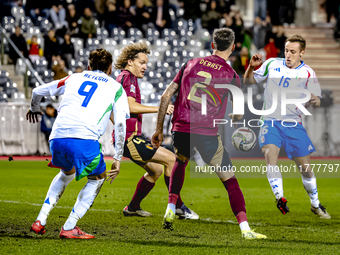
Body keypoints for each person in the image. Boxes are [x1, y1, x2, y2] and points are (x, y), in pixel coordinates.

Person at [151, 28, 267, 239]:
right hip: (206, 133)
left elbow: (165, 96)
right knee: (229, 179)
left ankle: (170, 207)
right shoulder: (231, 75)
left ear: (213, 45)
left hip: (181, 128)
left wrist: (159, 129)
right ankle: (245, 229)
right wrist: (234, 117)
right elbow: (239, 114)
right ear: (232, 48)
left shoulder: (190, 63)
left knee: (181, 160)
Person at [27, 48, 130, 239]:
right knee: (98, 178)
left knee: (66, 173)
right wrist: (118, 156)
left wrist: (34, 108)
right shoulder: (116, 87)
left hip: (56, 138)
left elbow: (37, 91)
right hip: (83, 139)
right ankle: (69, 227)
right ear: (109, 69)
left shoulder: (74, 77)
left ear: (89, 66)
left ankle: (40, 220)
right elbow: (122, 123)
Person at [243, 35, 331, 219]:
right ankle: (280, 197)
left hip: (293, 124)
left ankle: (315, 204)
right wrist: (251, 67)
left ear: (302, 53)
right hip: (270, 120)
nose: (288, 55)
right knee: (270, 154)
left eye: (292, 52)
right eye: (286, 51)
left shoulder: (308, 73)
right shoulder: (272, 64)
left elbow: (316, 99)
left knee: (305, 168)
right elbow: (248, 81)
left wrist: (314, 99)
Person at [112, 42, 198, 219]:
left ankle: (133, 207)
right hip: (129, 138)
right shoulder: (126, 77)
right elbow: (130, 106)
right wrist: (159, 108)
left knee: (156, 170)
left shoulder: (129, 78)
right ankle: (179, 207)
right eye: (141, 62)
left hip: (131, 137)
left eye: (146, 63)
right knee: (171, 160)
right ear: (130, 62)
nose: (145, 67)